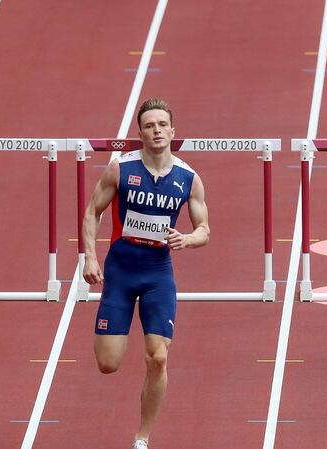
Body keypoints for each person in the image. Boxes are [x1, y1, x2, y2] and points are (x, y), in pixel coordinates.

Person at [82, 98, 210, 449]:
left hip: (158, 273)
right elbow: (92, 212)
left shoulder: (188, 178)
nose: (156, 131)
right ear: (140, 133)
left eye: (161, 125)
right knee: (108, 364)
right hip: (120, 272)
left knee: (158, 357)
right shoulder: (121, 169)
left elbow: (205, 230)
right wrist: (89, 258)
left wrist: (187, 238)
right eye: (149, 125)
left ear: (172, 131)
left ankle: (142, 438)